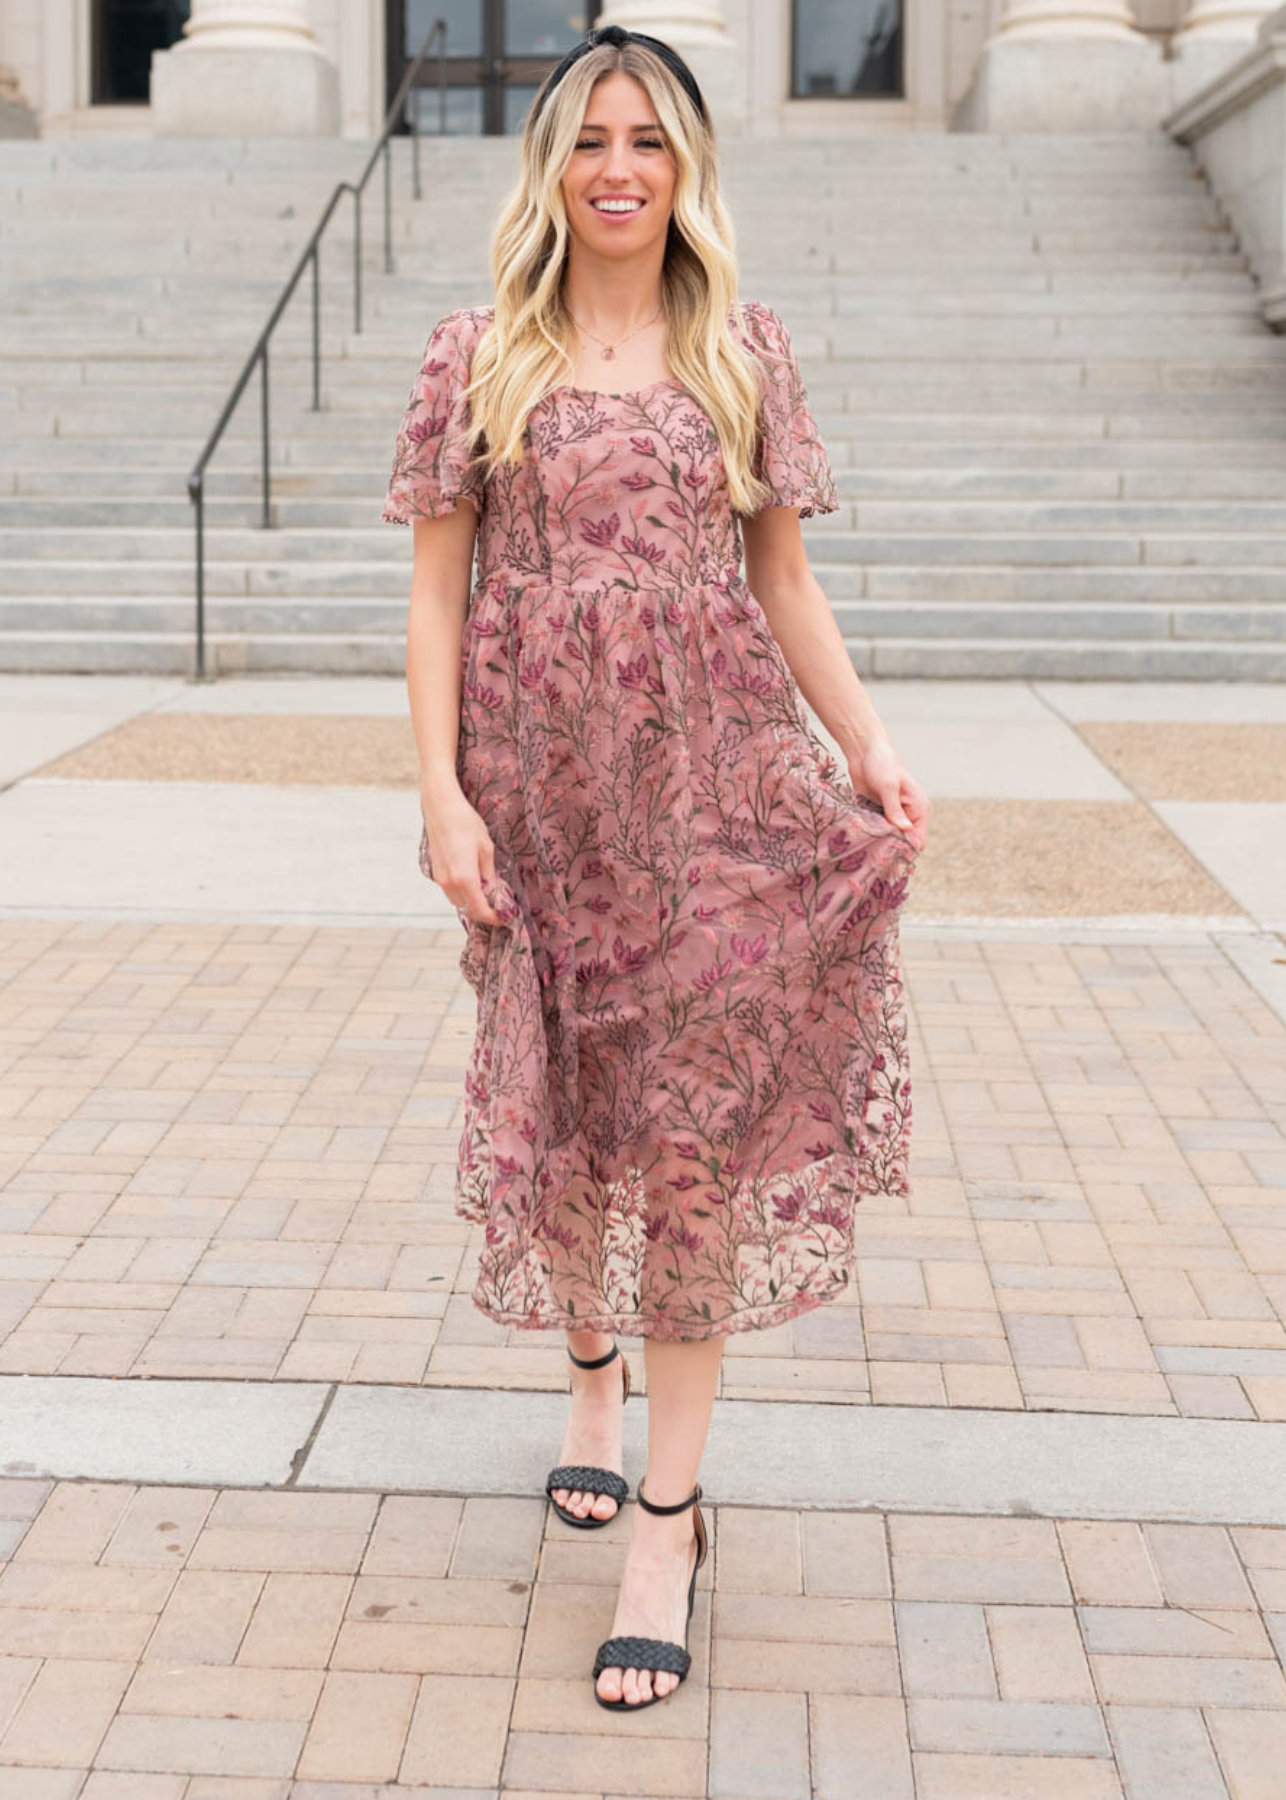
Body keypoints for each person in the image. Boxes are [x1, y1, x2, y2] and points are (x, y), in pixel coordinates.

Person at [381, 23, 930, 1715]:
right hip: (542, 799)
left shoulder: (741, 351)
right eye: (591, 140)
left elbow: (783, 584)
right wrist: (437, 798)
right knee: (576, 1132)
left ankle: (666, 1532)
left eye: (651, 142)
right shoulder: (480, 353)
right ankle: (591, 1385)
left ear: (687, 168)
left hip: (713, 792)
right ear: (551, 165)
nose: (619, 168)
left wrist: (865, 742)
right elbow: (433, 600)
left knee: (689, 1138)